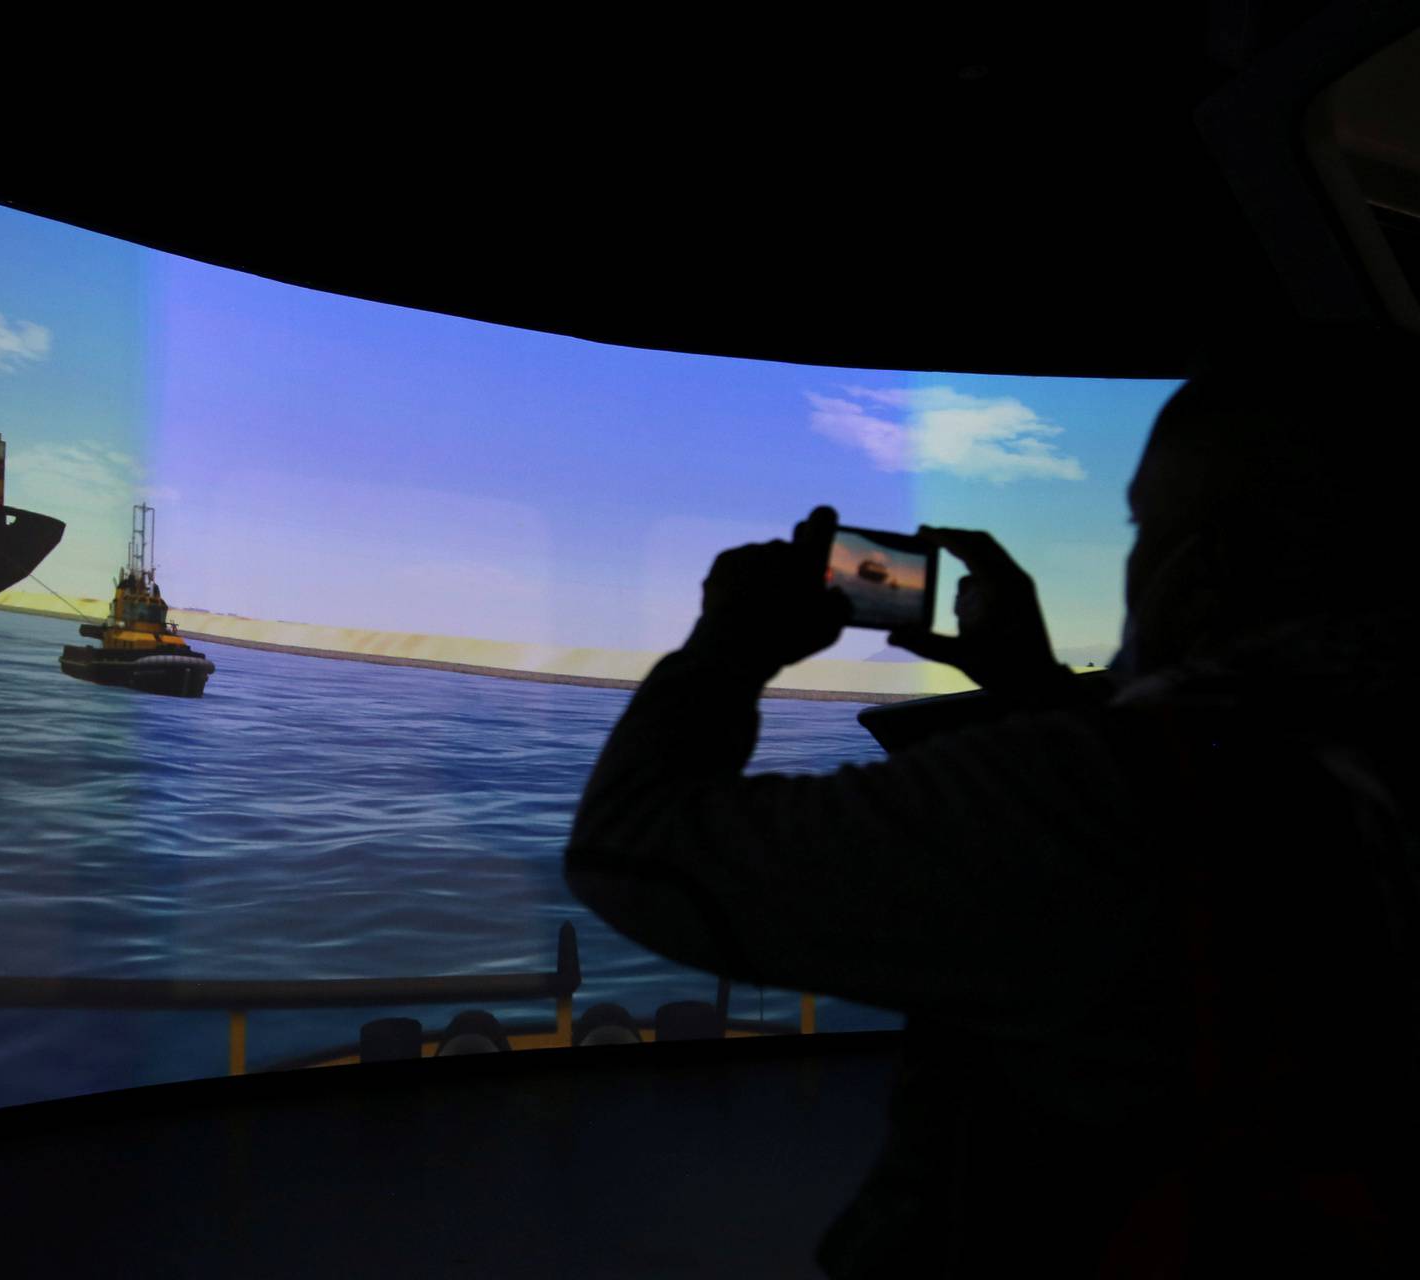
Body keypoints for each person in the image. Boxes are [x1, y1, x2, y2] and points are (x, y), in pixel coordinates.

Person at [564, 329, 1420, 1277]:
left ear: (1197, 572)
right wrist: (1032, 687)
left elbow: (635, 847)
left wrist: (732, 641)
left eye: (1142, 530)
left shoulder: (1114, 797)